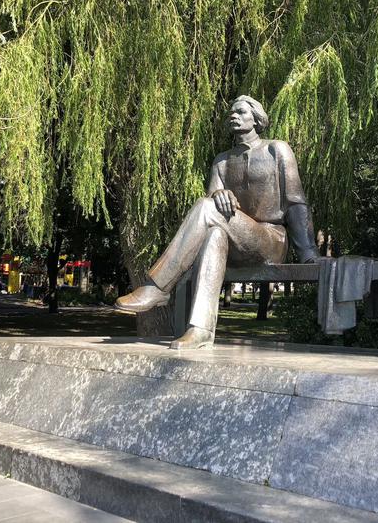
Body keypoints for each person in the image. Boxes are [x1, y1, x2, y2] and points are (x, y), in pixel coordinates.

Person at [115, 95, 318, 349]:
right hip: (234, 243)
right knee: (213, 235)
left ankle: (157, 287)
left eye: (241, 112)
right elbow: (211, 206)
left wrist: (309, 253)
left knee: (205, 207)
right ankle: (199, 330)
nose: (233, 115)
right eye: (231, 113)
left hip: (270, 240)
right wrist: (218, 194)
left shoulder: (276, 149)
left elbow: (296, 202)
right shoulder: (221, 161)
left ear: (256, 119)